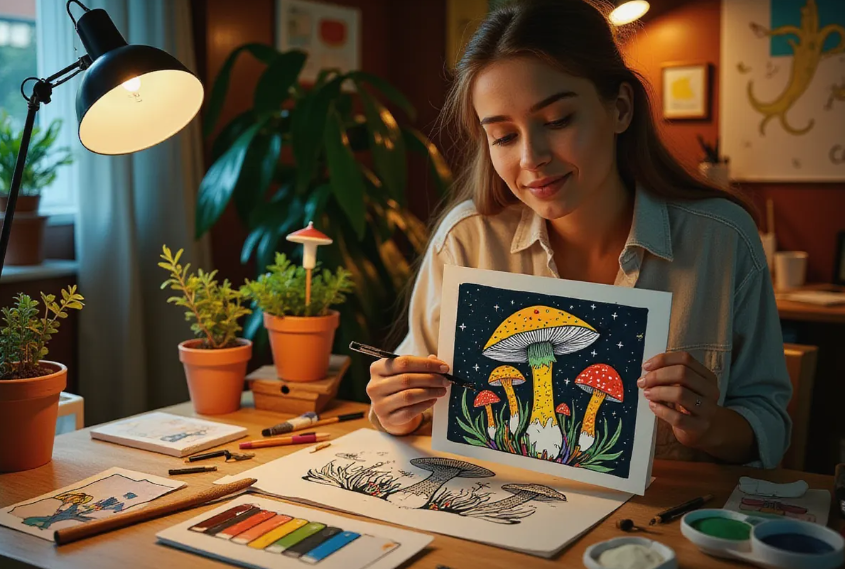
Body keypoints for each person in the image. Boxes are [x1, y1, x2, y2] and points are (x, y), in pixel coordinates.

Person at [367, 0, 791, 468]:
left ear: (621, 109)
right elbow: (410, 406)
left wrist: (710, 425)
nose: (531, 157)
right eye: (504, 137)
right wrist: (396, 407)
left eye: (557, 121)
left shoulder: (721, 240)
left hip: (657, 530)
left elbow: (769, 427)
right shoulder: (467, 240)